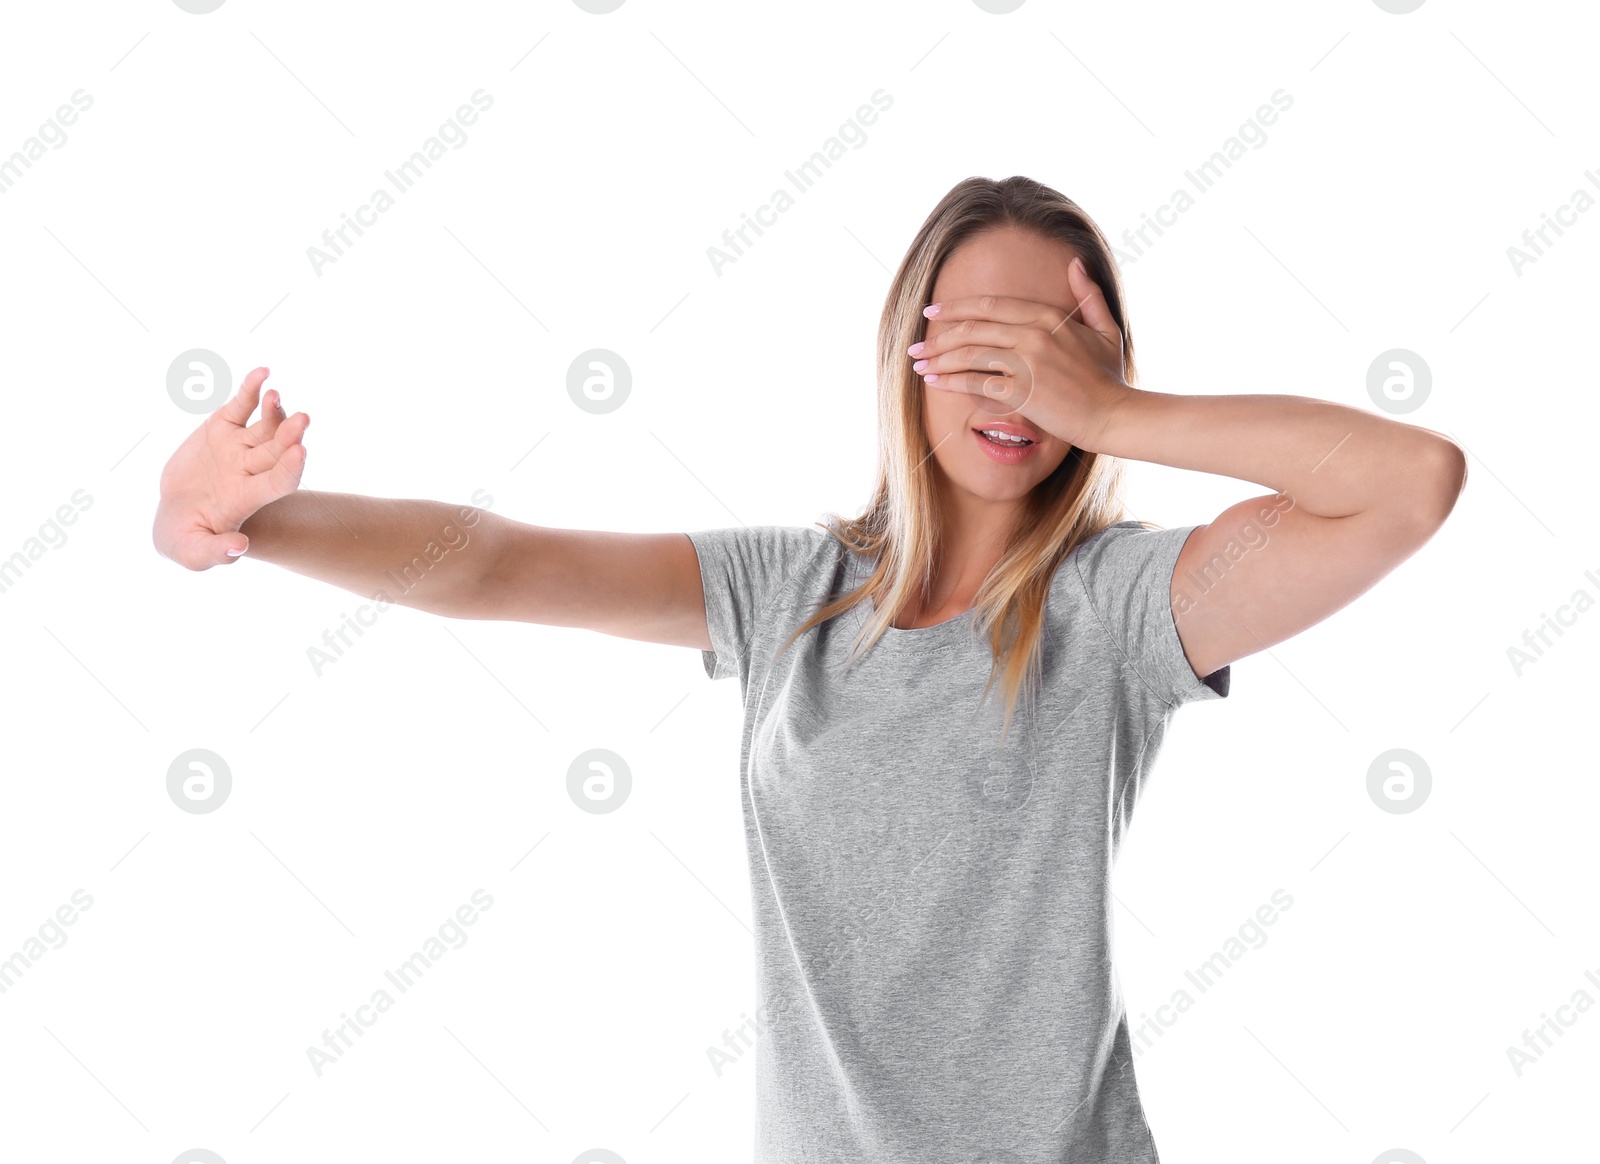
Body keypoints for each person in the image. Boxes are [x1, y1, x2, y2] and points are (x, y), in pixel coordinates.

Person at [152, 175, 1466, 1162]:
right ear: (911, 347)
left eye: (1054, 344)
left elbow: (1411, 485)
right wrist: (242, 524)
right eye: (980, 336)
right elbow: (495, 562)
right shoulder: (791, 593)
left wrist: (1116, 415)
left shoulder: (1120, 608)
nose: (1016, 377)